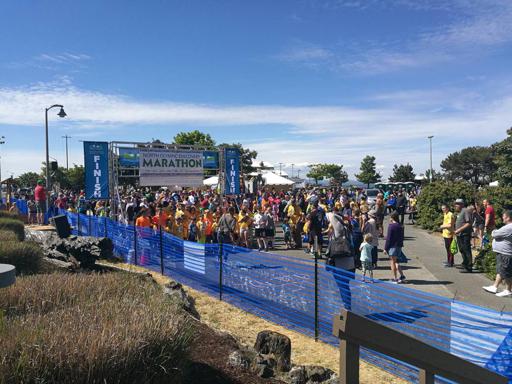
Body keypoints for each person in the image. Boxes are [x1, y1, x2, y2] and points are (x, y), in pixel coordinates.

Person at [483, 210, 512, 297]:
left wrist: (494, 231)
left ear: (508, 217)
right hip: (503, 252)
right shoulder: (508, 227)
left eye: (504, 216)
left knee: (506, 272)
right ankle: (495, 286)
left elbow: (495, 234)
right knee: (501, 270)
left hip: (505, 253)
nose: (502, 218)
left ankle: (508, 290)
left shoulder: (509, 227)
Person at [384, 211, 406, 283]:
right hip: (399, 246)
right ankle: (402, 276)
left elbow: (388, 238)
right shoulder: (401, 226)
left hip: (392, 246)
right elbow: (402, 237)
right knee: (396, 261)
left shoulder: (391, 226)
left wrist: (385, 248)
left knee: (392, 262)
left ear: (392, 218)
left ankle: (395, 278)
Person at [454, 199, 474, 273]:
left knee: (466, 250)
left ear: (462, 204)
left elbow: (468, 223)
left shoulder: (465, 211)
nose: (456, 205)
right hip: (459, 235)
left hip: (465, 234)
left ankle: (469, 267)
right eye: (455, 204)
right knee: (462, 249)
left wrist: (459, 230)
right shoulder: (459, 212)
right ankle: (464, 263)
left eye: (458, 204)